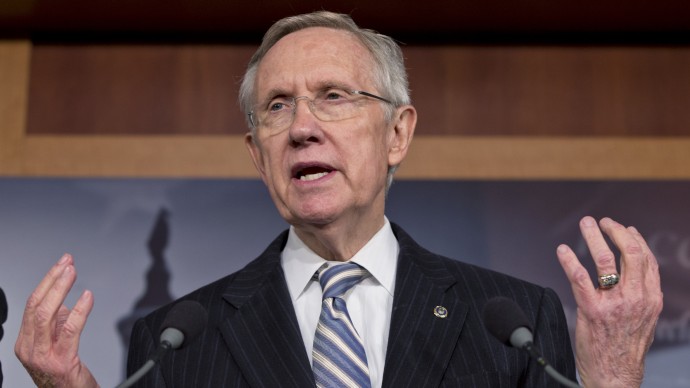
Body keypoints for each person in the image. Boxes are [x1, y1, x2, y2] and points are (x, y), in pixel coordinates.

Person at [15, 11, 662, 388]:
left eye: (334, 96)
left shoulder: (519, 323)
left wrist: (611, 381)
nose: (302, 127)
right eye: (277, 106)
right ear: (257, 154)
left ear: (398, 133)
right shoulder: (175, 341)